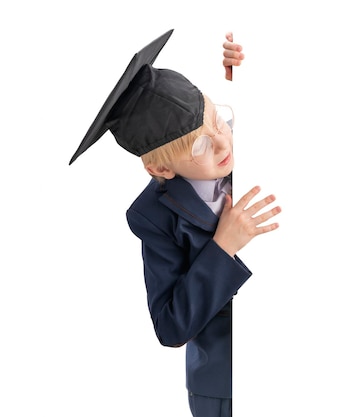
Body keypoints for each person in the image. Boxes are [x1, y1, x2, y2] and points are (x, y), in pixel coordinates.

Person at [69, 29, 281, 417]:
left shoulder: (239, 142)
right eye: (200, 145)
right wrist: (222, 248)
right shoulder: (153, 217)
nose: (223, 143)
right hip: (226, 384)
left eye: (219, 119)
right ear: (161, 167)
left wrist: (240, 77)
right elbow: (170, 327)